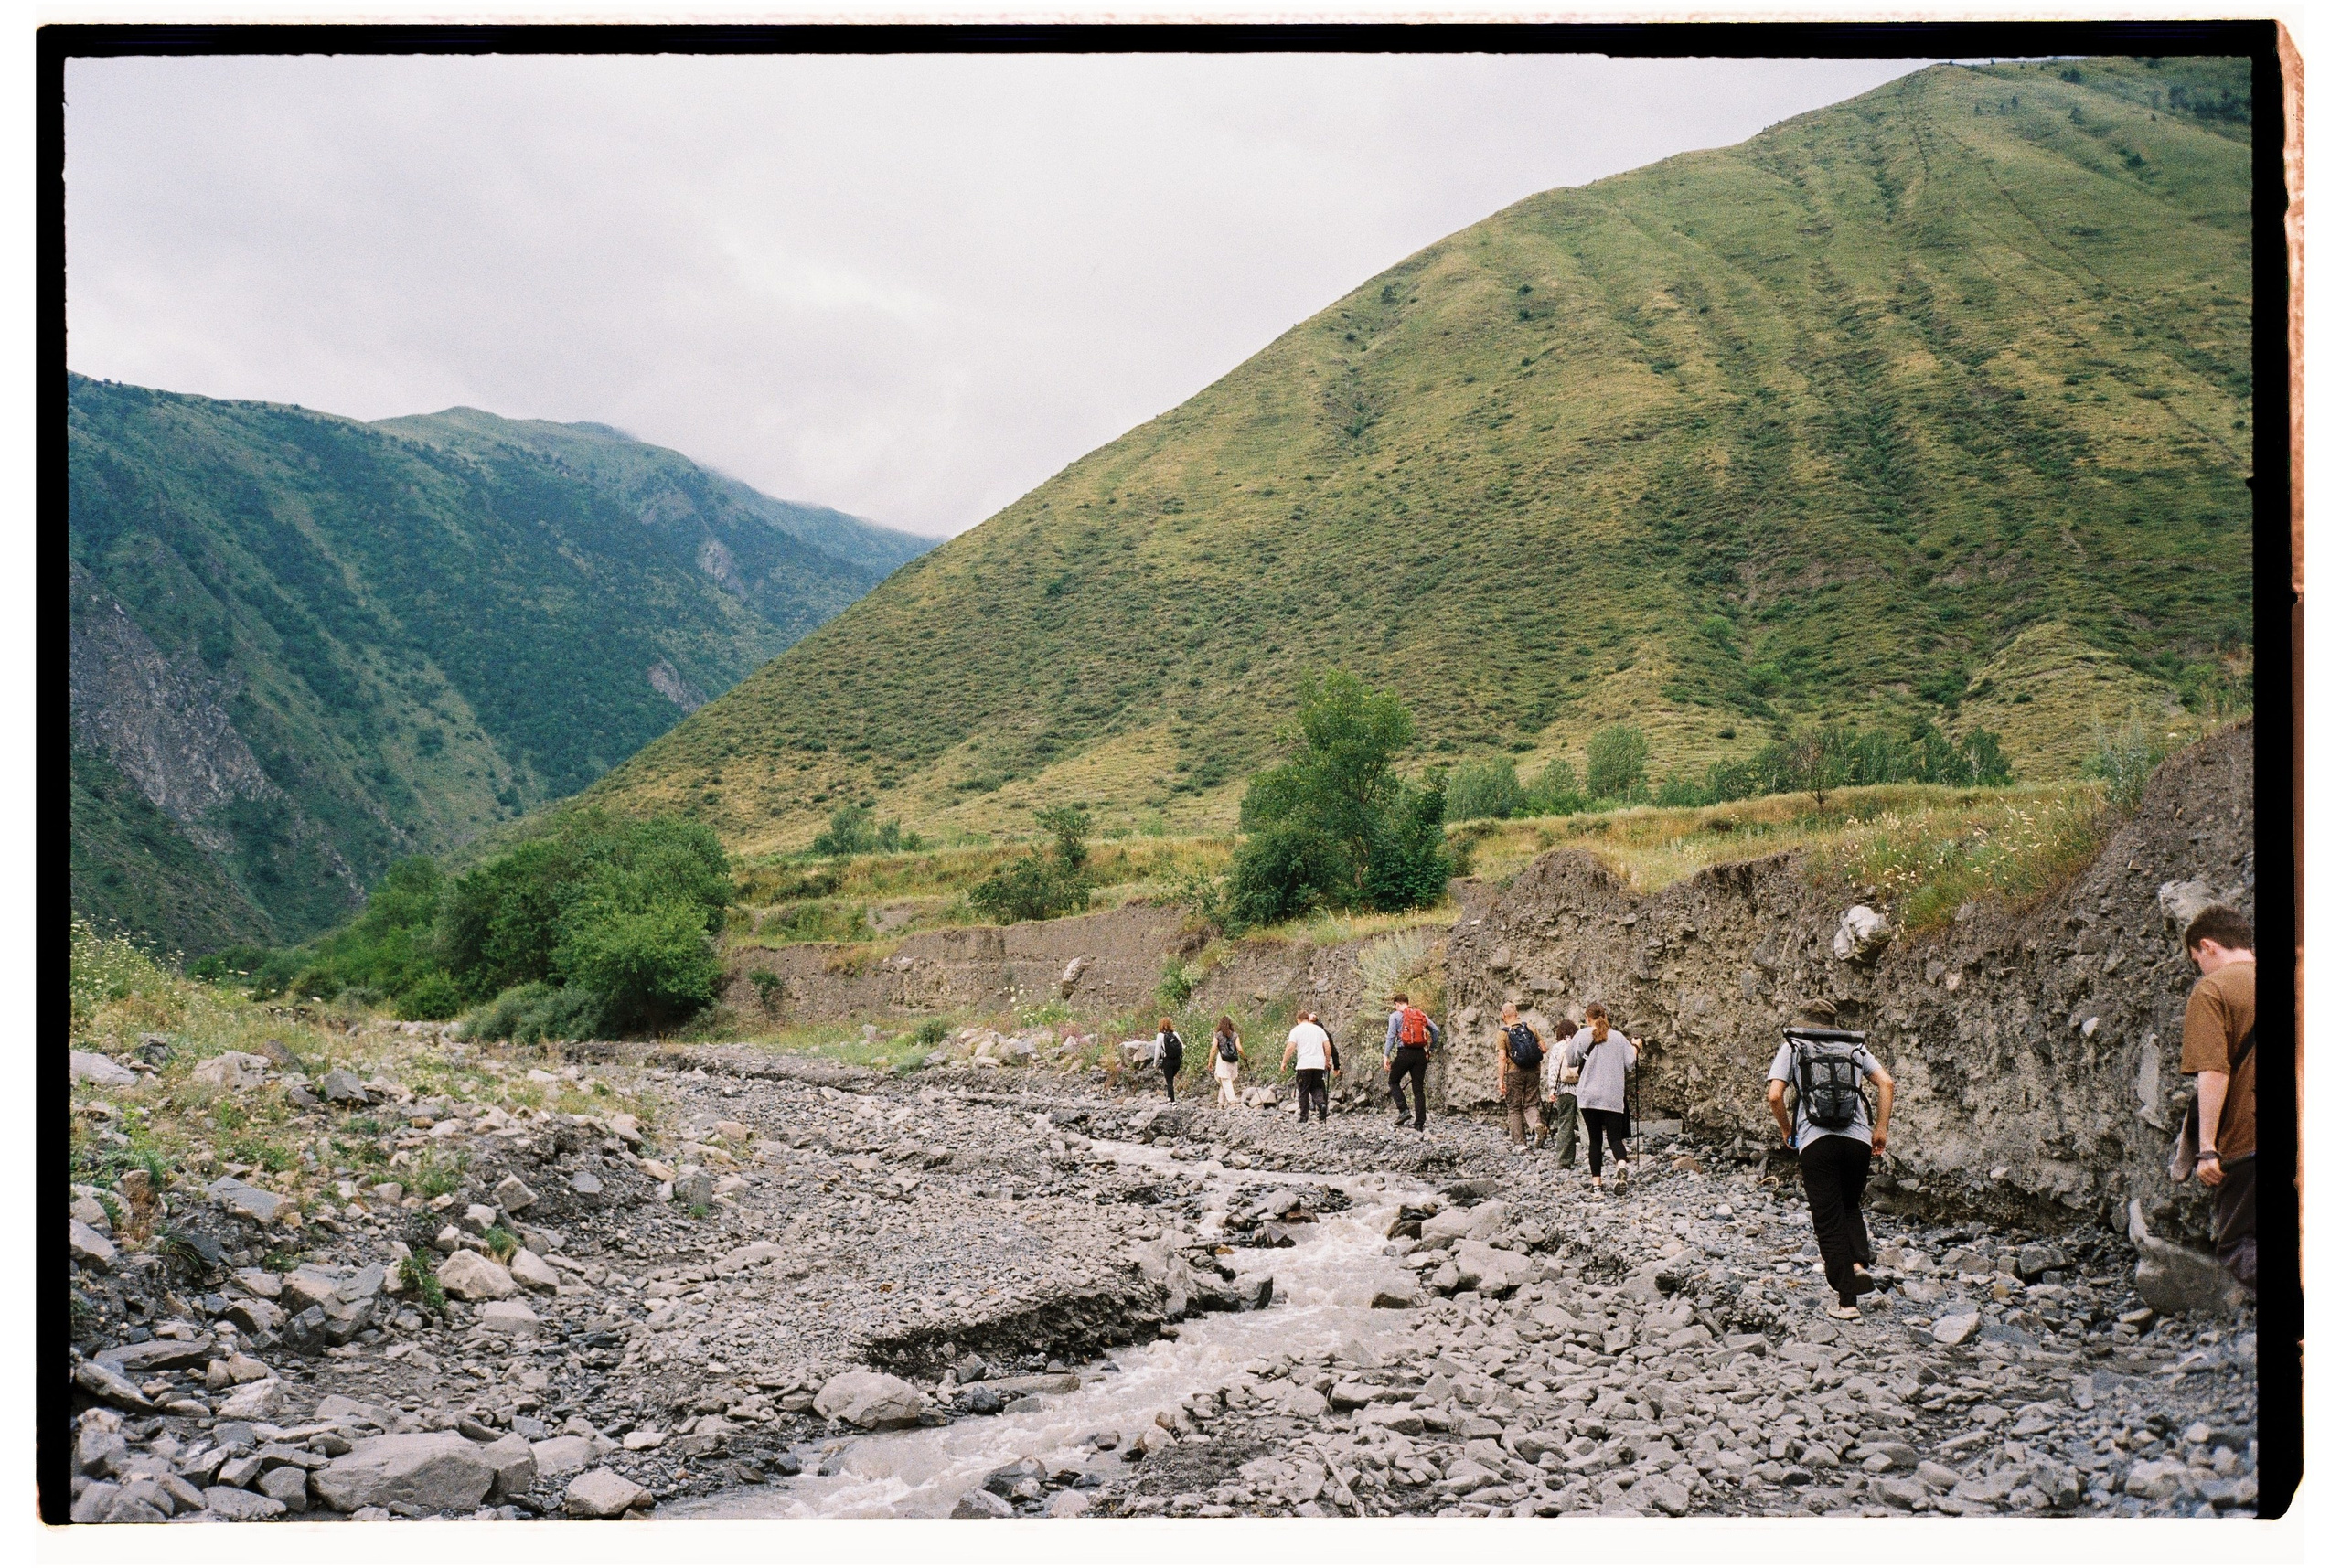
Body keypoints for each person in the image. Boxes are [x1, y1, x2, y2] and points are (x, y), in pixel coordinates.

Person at [1766, 997, 1894, 1321]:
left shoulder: (1794, 1046)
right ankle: (1857, 1263)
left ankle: (1847, 1303)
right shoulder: (1854, 1048)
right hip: (1858, 1143)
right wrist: (1879, 1128)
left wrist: (1787, 1129)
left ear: (1806, 1021)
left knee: (1828, 1218)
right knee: (1850, 1205)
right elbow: (1886, 1083)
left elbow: (1774, 1095)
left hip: (1817, 1142)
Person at [2179, 904, 2257, 1291]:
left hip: (2247, 1143)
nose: (2200, 970)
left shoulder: (2213, 989)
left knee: (2240, 1246)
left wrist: (2207, 1148)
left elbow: (2214, 1071)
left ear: (2207, 946)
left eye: (2197, 961)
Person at [1563, 1004, 1641, 1189]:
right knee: (1614, 1138)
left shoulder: (1582, 1035)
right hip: (1612, 1096)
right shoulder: (1619, 1038)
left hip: (1588, 1096)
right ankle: (1621, 1165)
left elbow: (1571, 1061)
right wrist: (1636, 1046)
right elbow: (1631, 1063)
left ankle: (1597, 1185)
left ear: (1588, 1018)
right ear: (1605, 1016)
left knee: (1595, 1140)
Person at [1383, 992, 1439, 1130]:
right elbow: (1435, 1031)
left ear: (1397, 1004)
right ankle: (1419, 1123)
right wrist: (1430, 1050)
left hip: (1404, 1053)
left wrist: (1386, 1055)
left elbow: (1391, 1037)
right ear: (1407, 1003)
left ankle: (1404, 1110)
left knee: (1393, 1081)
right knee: (1418, 1089)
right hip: (1420, 1054)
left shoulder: (1395, 1016)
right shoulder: (1420, 1015)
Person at [1494, 1003, 1545, 1152]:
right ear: (1516, 1013)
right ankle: (1536, 1127)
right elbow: (1544, 1048)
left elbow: (1502, 1058)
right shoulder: (1529, 1027)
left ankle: (1520, 1144)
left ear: (1503, 1016)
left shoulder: (1503, 1033)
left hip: (1514, 1072)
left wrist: (1500, 1080)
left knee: (1514, 1107)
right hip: (1534, 1070)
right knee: (1531, 1103)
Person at [1540, 1008, 1581, 1170]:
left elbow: (1554, 1071)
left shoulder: (1557, 1048)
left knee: (1565, 1123)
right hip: (1583, 1090)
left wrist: (1552, 1091)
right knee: (1588, 1123)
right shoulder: (1579, 1045)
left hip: (1564, 1091)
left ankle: (1565, 1159)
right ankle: (1596, 1152)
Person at [1283, 1009, 1335, 1124]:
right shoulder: (1319, 1030)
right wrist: (1327, 1060)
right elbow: (1327, 1045)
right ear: (1307, 1018)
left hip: (1304, 1064)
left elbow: (1290, 1047)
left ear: (1298, 1020)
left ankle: (1304, 1116)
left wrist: (1284, 1062)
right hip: (1318, 1064)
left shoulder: (1296, 1030)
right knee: (1316, 1087)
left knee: (1303, 1089)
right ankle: (1322, 1105)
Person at [1210, 1015, 1245, 1108]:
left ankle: (1232, 1102)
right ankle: (1221, 1103)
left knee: (1225, 1080)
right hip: (1233, 1061)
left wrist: (1210, 1061)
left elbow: (1213, 1049)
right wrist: (1245, 1057)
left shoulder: (1218, 1035)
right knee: (1225, 1081)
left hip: (1223, 1061)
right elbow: (1239, 1049)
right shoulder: (1235, 1035)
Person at [1154, 1016, 1185, 1102]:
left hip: (1167, 1061)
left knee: (1169, 1081)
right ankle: (1169, 1097)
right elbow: (1182, 1046)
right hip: (1177, 1061)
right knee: (1171, 1079)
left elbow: (1157, 1051)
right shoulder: (1175, 1034)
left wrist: (1155, 1063)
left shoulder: (1160, 1035)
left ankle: (1172, 1102)